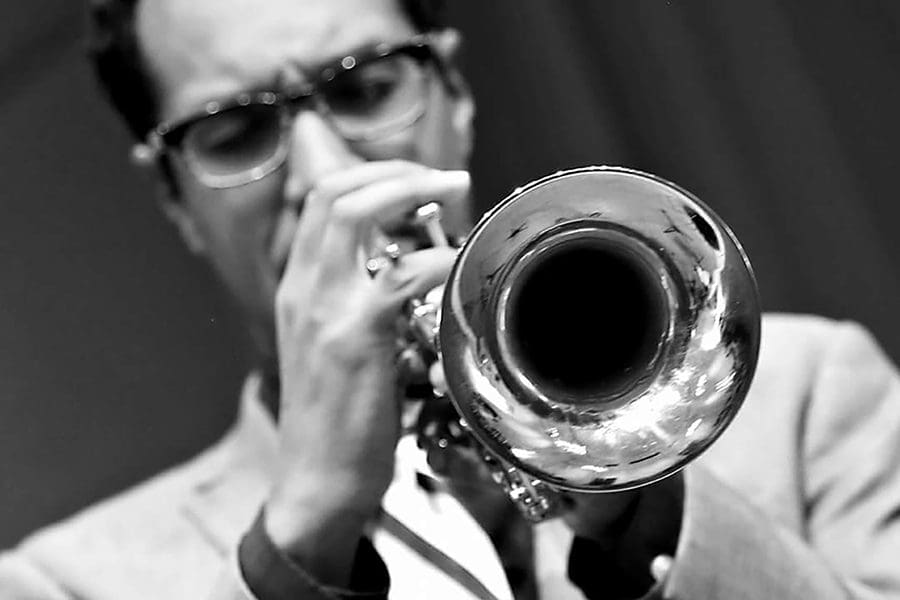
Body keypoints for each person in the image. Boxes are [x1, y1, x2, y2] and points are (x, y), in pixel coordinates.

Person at [1, 0, 899, 598]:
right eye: (235, 133)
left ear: (456, 93)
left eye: (365, 88)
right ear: (174, 201)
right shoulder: (61, 581)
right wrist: (302, 545)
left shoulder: (809, 391)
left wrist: (639, 509)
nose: (327, 177)